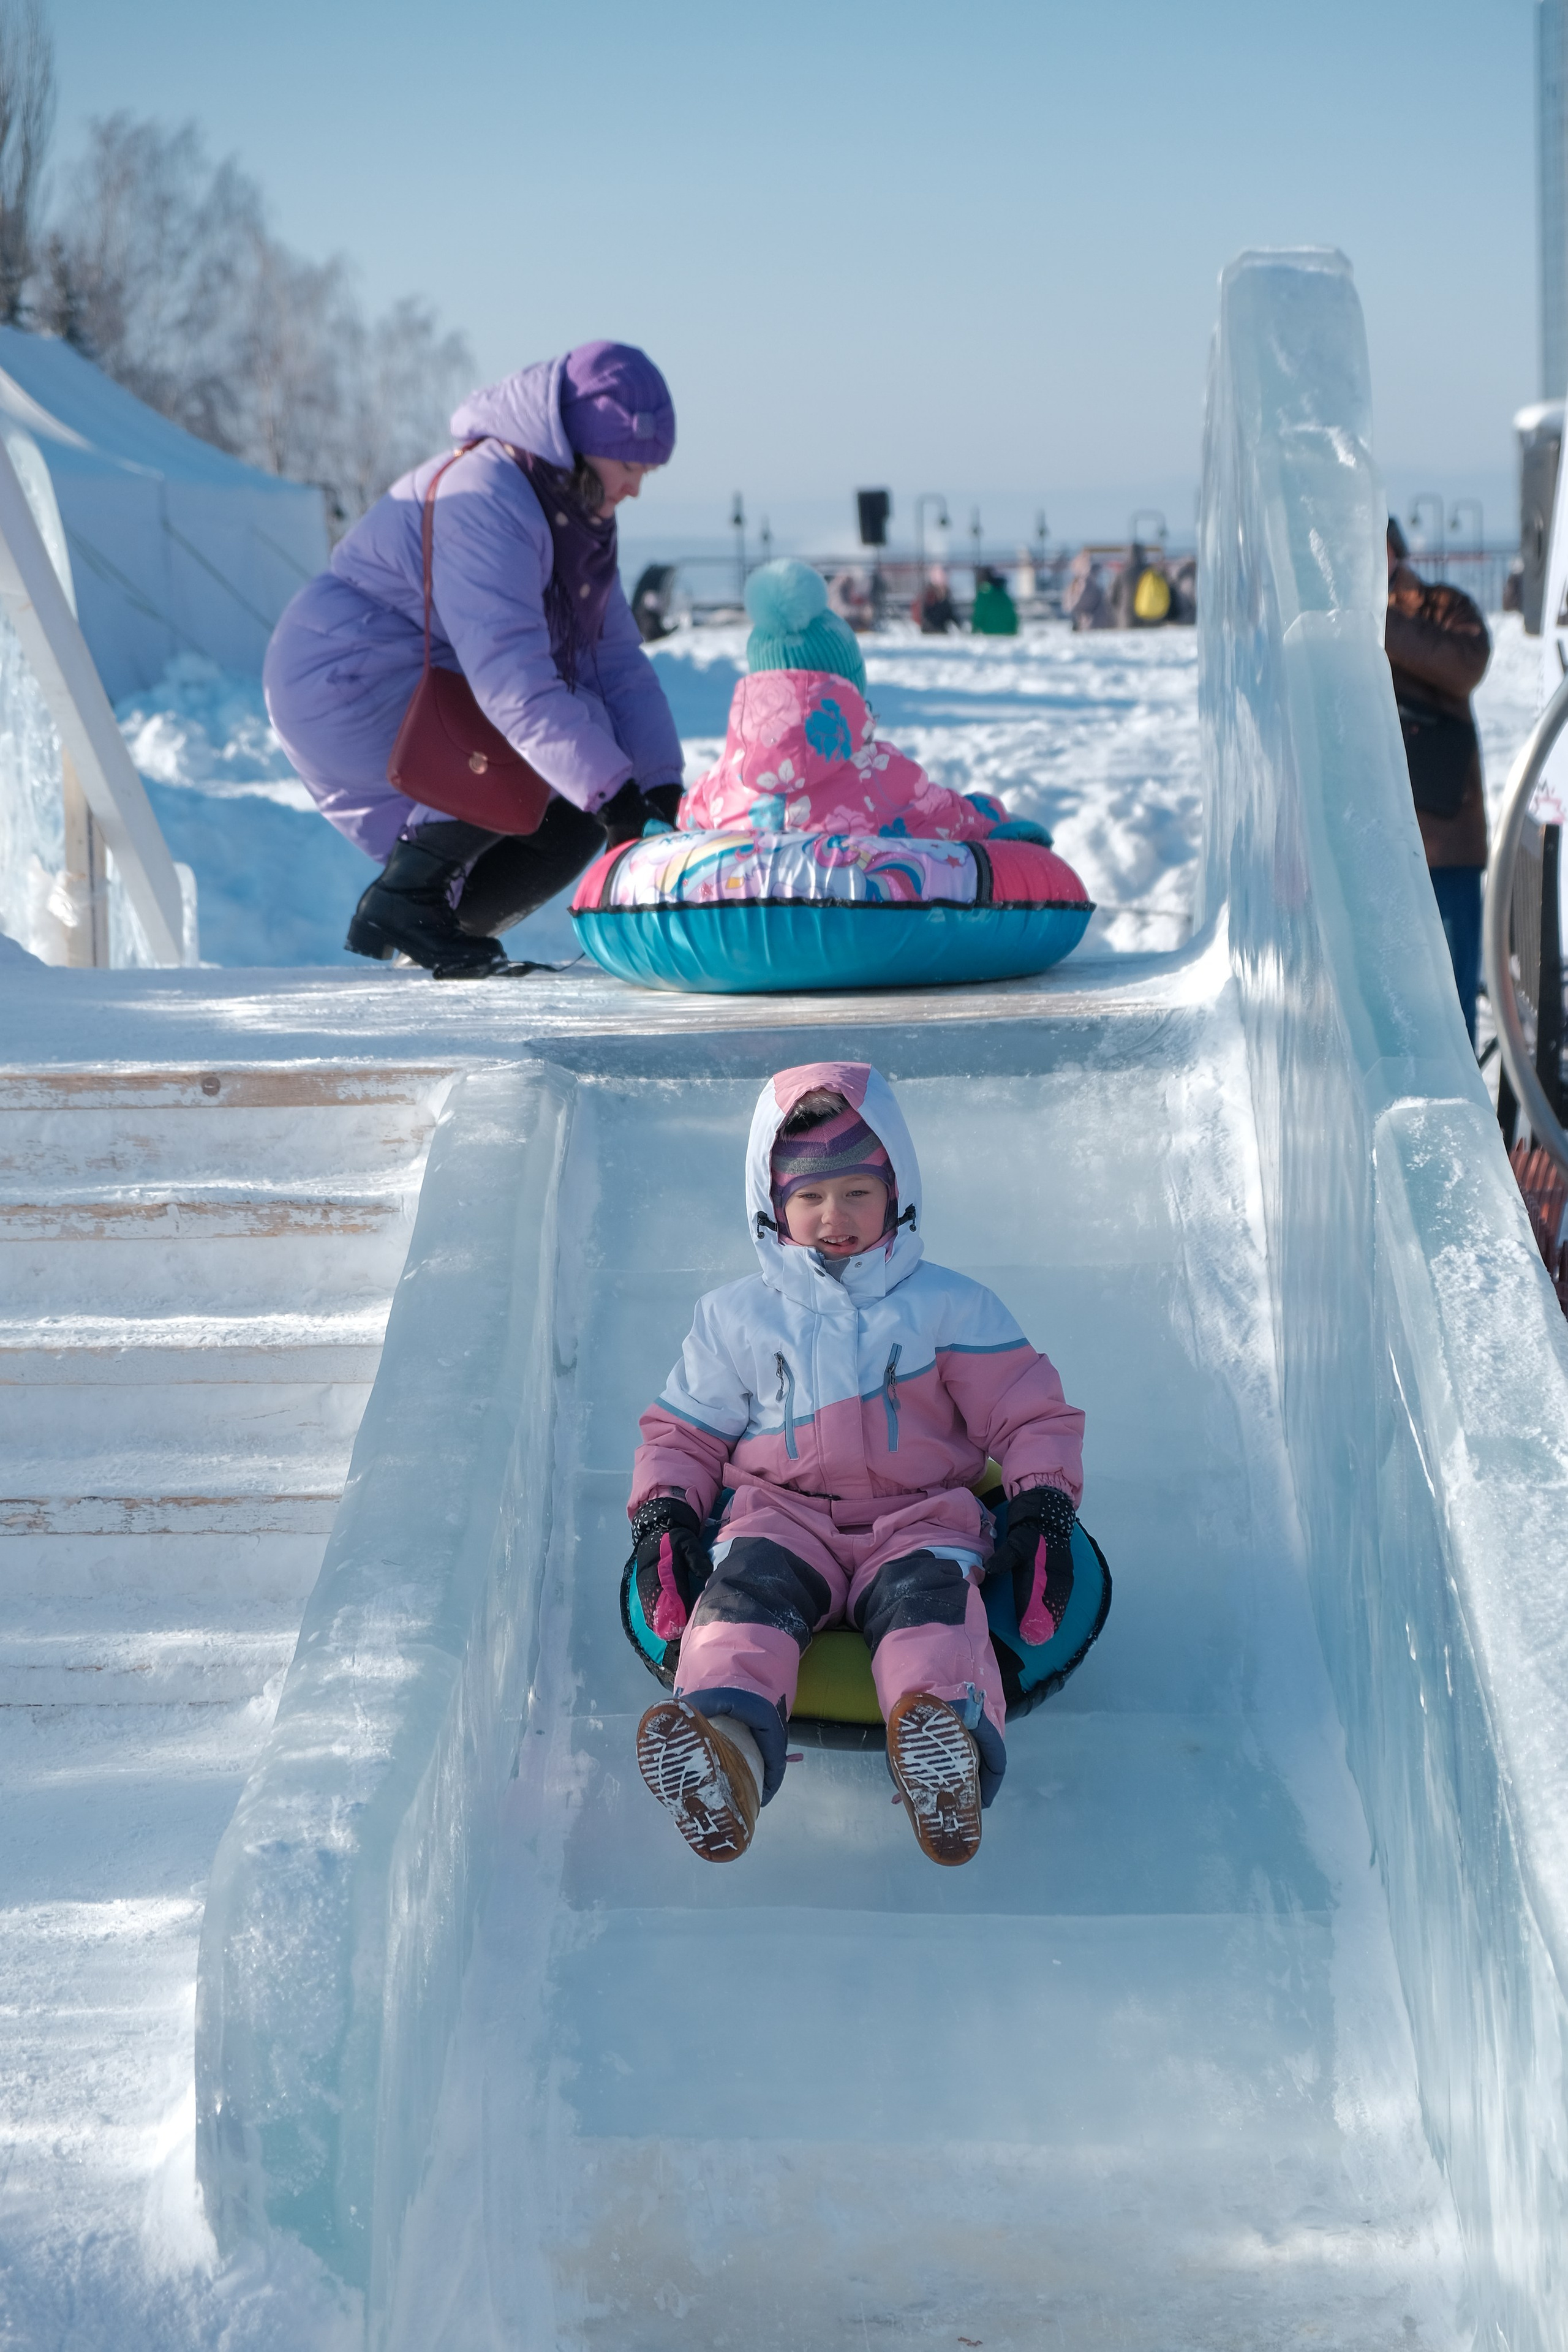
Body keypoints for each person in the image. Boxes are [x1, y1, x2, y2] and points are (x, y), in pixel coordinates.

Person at [627, 1061, 1085, 1868]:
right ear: (772, 1204)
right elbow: (685, 1434)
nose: (833, 1215)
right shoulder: (735, 1318)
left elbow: (1028, 1414)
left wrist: (1042, 1503)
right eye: (809, 1195)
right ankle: (724, 1756)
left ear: (897, 1192)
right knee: (743, 1606)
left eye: (857, 1192)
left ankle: (943, 1754)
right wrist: (665, 1512)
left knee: (928, 1612)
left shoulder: (950, 1308)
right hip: (780, 1517)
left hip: (921, 1517)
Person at [263, 342, 685, 976]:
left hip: (418, 670)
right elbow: (515, 686)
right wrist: (618, 798)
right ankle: (407, 900)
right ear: (575, 445)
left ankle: (436, 930)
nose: (634, 488)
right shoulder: (486, 497)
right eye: (628, 465)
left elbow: (615, 661)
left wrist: (658, 790)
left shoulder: (575, 519)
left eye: (646, 472)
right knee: (582, 747)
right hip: (346, 671)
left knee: (578, 809)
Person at [680, 560, 1046, 843]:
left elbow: (686, 822)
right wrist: (995, 814)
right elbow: (953, 819)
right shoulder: (882, 776)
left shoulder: (720, 783)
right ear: (849, 692)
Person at [1385, 518, 1491, 1043]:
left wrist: (1377, 621)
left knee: (1450, 1003)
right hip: (1375, 843)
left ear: (1394, 550)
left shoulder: (1445, 605)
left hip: (1444, 842)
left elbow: (1465, 665)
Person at [970, 566, 1019, 636]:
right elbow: (1013, 616)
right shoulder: (1003, 593)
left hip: (991, 632)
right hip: (1009, 632)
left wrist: (974, 631)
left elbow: (978, 616)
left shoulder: (984, 593)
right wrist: (1014, 631)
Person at [914, 567, 958, 633]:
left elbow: (950, 616)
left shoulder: (946, 597)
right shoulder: (928, 595)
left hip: (942, 631)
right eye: (940, 576)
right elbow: (922, 616)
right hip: (930, 632)